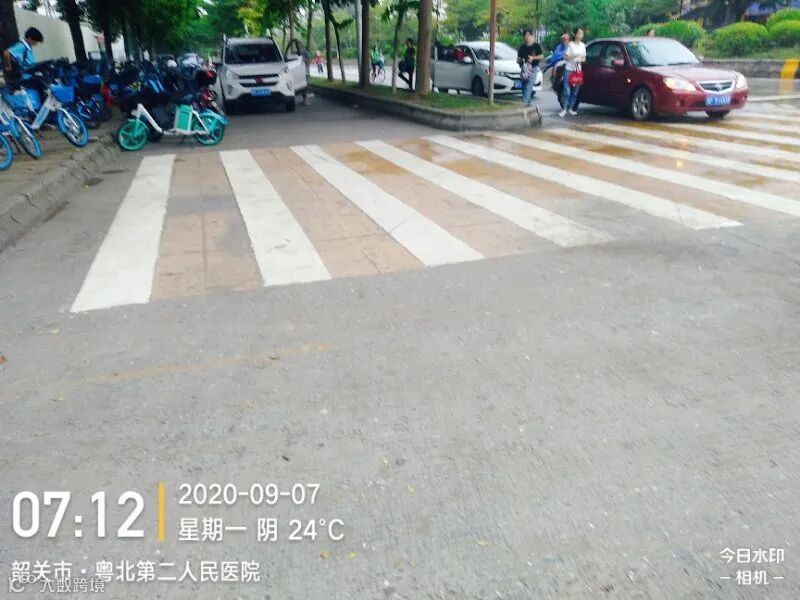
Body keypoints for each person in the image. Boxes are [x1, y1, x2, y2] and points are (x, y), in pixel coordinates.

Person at [559, 27, 586, 117]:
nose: (581, 35)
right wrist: (574, 56)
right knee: (566, 90)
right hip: (569, 69)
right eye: (579, 33)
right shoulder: (571, 45)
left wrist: (580, 59)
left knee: (575, 91)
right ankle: (564, 109)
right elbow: (565, 57)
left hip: (577, 70)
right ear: (575, 34)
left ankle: (570, 108)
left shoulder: (583, 45)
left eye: (582, 33)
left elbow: (584, 58)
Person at [517, 29, 543, 107]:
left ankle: (524, 103)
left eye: (529, 35)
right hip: (524, 69)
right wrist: (519, 61)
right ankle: (527, 103)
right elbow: (519, 58)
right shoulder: (522, 47)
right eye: (525, 35)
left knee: (529, 86)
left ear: (532, 36)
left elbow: (541, 56)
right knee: (524, 86)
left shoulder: (536, 46)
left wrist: (533, 58)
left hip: (533, 68)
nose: (527, 37)